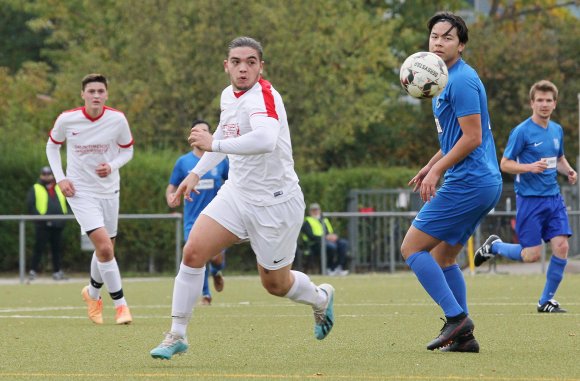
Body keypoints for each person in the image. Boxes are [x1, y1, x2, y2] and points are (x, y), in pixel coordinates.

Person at [150, 36, 335, 360]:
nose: (243, 68)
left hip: (276, 203)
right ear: (226, 66)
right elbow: (223, 135)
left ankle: (320, 298)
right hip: (236, 195)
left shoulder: (263, 95)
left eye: (251, 61)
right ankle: (176, 334)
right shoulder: (228, 95)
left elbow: (264, 139)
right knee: (193, 252)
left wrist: (213, 146)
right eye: (236, 61)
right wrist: (197, 173)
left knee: (276, 285)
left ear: (261, 66)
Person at [400, 12, 502, 353]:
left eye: (447, 37)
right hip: (479, 181)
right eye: (434, 36)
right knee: (444, 257)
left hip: (470, 182)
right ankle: (464, 337)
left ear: (461, 44)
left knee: (412, 249)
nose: (438, 42)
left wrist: (437, 171)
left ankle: (456, 318)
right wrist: (431, 164)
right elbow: (454, 137)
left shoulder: (461, 81)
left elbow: (472, 138)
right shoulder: (443, 78)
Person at [474, 80, 576, 313]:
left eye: (548, 100)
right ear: (532, 103)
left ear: (555, 104)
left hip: (553, 198)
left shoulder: (557, 130)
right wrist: (530, 167)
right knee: (531, 255)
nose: (544, 104)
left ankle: (546, 301)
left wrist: (568, 171)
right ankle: (495, 246)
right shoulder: (521, 131)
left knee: (561, 246)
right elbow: (505, 164)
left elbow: (558, 160)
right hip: (530, 200)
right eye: (539, 100)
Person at [46, 73, 134, 325]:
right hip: (80, 191)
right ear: (83, 94)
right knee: (105, 248)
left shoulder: (117, 119)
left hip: (109, 191)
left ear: (106, 94)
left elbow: (128, 150)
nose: (96, 95)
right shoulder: (67, 119)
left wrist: (113, 165)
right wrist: (60, 178)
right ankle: (121, 306)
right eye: (91, 91)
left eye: (100, 91)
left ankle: (92, 294)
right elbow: (52, 146)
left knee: (106, 249)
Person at [167, 119, 229, 306]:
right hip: (192, 219)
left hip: (217, 218)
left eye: (205, 131)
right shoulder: (183, 162)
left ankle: (216, 271)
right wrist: (170, 197)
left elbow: (232, 181)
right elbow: (172, 186)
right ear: (191, 136)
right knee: (197, 254)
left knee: (216, 257)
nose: (201, 134)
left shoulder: (220, 159)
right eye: (197, 131)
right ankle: (206, 294)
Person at [26, 166, 68, 281]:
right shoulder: (36, 187)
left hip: (58, 224)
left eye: (48, 174)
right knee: (38, 248)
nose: (46, 176)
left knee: (57, 249)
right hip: (42, 225)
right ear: (41, 175)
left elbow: (67, 203)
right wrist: (40, 219)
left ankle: (57, 271)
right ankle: (33, 271)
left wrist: (64, 218)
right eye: (44, 174)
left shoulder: (59, 187)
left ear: (52, 175)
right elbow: (31, 206)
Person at [301, 203, 349, 276]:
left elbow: (330, 232)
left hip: (327, 241)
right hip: (316, 243)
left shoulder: (325, 220)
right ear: (310, 212)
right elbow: (311, 236)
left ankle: (338, 267)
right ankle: (329, 268)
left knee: (343, 243)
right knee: (331, 247)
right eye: (313, 210)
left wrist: (333, 236)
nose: (315, 212)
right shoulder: (307, 221)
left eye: (317, 210)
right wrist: (325, 237)